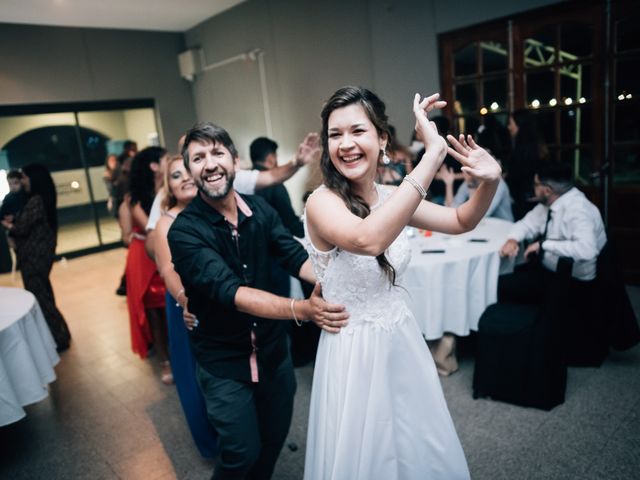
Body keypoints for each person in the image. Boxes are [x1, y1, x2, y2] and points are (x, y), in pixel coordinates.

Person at [302, 86, 502, 480]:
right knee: (367, 456)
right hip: (353, 352)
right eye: (335, 135)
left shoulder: (395, 196)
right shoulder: (320, 202)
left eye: (357, 131)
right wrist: (431, 156)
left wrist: (491, 180)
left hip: (401, 340)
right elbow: (367, 239)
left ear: (381, 138)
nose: (345, 144)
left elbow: (461, 220)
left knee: (414, 447)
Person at [168, 122, 349, 480]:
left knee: (272, 441)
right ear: (190, 170)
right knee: (240, 454)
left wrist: (340, 280)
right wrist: (302, 310)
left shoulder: (260, 212)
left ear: (235, 160)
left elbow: (293, 256)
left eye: (218, 152)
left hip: (272, 354)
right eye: (198, 157)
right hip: (225, 364)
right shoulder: (184, 232)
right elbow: (231, 293)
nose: (210, 164)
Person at [153, 155, 218, 458]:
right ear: (169, 186)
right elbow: (168, 270)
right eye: (176, 176)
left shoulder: (214, 210)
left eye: (187, 172)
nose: (185, 179)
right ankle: (210, 442)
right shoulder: (166, 223)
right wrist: (185, 300)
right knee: (193, 373)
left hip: (220, 298)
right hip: (186, 302)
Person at [498, 161, 606, 303]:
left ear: (547, 190)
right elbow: (526, 224)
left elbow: (587, 250)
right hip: (549, 269)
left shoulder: (578, 210)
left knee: (501, 285)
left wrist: (543, 245)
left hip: (572, 283)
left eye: (536, 184)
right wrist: (513, 240)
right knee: (509, 276)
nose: (533, 188)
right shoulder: (550, 203)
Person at [1, 164, 71, 351]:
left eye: (24, 177)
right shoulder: (37, 199)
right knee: (44, 296)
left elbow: (22, 227)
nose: (22, 181)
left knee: (41, 299)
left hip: (34, 258)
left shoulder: (37, 200)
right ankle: (61, 334)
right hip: (36, 256)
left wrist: (8, 225)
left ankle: (59, 338)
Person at [125, 146, 172, 384]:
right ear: (154, 166)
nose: (170, 160)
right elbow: (150, 227)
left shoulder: (171, 189)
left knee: (172, 306)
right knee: (155, 309)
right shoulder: (135, 198)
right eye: (165, 159)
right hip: (145, 257)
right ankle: (165, 360)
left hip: (170, 251)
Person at [506, 109, 548, 220]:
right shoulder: (538, 147)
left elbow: (516, 177)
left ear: (520, 125)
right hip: (537, 199)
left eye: (511, 123)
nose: (509, 127)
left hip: (524, 202)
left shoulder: (522, 151)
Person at [439, 163, 514, 221]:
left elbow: (482, 214)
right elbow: (452, 209)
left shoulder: (497, 183)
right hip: (483, 227)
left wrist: (470, 185)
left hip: (504, 227)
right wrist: (449, 184)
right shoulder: (469, 182)